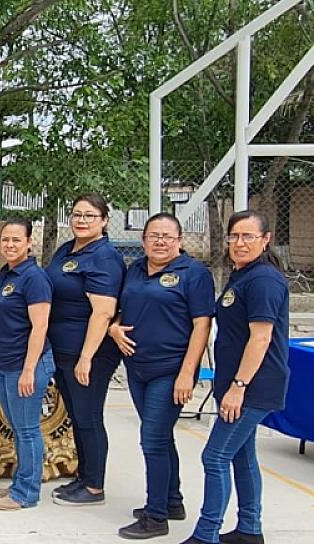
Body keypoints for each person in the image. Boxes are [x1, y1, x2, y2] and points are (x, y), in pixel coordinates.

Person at [183, 210, 289, 544]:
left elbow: (261, 338)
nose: (239, 243)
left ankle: (206, 534)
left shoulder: (264, 280)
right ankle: (249, 530)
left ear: (266, 239)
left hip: (251, 386)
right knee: (242, 455)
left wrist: (238, 387)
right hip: (234, 383)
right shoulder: (242, 275)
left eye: (248, 237)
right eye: (234, 237)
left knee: (214, 456)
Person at [110, 213, 214, 539]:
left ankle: (155, 518)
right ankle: (171, 501)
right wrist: (113, 329)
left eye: (167, 236)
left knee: (152, 440)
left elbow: (202, 325)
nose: (160, 241)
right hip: (138, 368)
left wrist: (187, 373)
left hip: (170, 370)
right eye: (153, 235)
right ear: (143, 240)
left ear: (180, 240)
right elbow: (120, 309)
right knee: (160, 435)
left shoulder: (194, 274)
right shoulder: (135, 269)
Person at [46, 193, 125, 507]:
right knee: (77, 417)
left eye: (89, 215)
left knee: (89, 416)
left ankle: (94, 487)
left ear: (104, 220)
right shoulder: (68, 249)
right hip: (64, 351)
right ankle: (83, 475)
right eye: (77, 214)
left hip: (89, 354)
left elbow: (103, 312)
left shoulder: (103, 257)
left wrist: (86, 357)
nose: (81, 220)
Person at [0, 218, 53, 512]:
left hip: (25, 365)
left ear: (29, 243)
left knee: (27, 430)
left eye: (16, 240)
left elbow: (39, 327)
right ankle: (20, 482)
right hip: (4, 363)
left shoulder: (34, 278)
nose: (9, 245)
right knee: (17, 427)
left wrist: (29, 369)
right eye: (5, 240)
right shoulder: (6, 274)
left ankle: (27, 493)